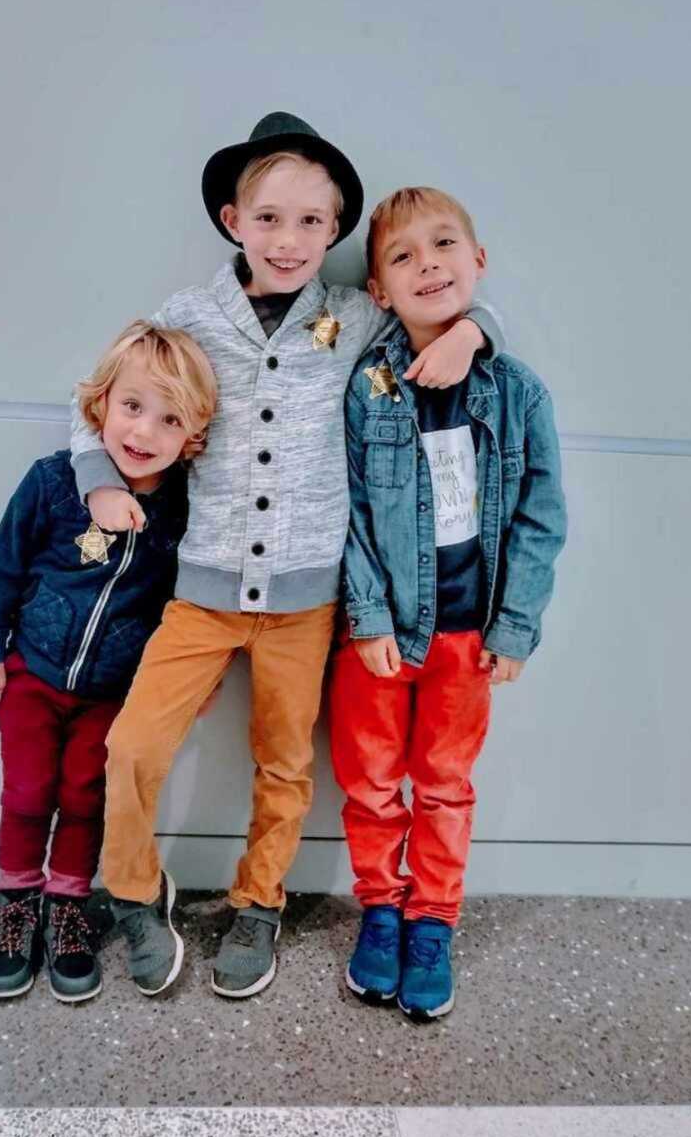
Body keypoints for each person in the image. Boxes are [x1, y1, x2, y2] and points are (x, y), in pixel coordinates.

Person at [71, 114, 504, 999]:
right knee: (133, 746)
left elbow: (436, 310)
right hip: (201, 591)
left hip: (308, 600)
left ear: (337, 232)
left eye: (313, 221)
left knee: (285, 761)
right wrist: (94, 474)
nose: (290, 239)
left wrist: (478, 329)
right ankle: (132, 885)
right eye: (269, 218)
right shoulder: (190, 316)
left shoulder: (353, 314)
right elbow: (98, 391)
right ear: (233, 220)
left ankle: (259, 901)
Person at [330, 186, 567, 1020]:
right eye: (402, 256)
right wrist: (366, 615)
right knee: (370, 783)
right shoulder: (369, 387)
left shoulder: (520, 392)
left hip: (471, 634)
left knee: (444, 783)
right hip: (381, 636)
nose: (427, 264)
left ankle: (432, 919)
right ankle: (382, 912)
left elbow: (542, 515)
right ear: (378, 292)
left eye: (443, 245)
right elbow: (347, 510)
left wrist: (516, 624)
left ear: (478, 262)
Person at [0, 320, 215, 1001]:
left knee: (85, 796)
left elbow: (182, 602)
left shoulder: (182, 510)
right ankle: (16, 906)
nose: (144, 432)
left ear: (191, 436)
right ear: (101, 404)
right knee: (26, 794)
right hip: (32, 674)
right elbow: (4, 569)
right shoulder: (52, 482)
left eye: (169, 419)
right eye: (132, 406)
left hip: (112, 690)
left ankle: (67, 906)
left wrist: (197, 678)